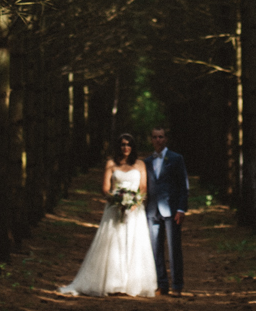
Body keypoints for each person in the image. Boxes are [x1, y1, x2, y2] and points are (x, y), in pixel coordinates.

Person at [58, 133, 159, 297]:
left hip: (135, 210)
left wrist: (133, 203)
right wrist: (117, 200)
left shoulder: (140, 164)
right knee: (113, 243)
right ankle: (113, 282)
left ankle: (132, 283)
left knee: (135, 243)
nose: (125, 148)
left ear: (133, 147)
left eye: (128, 145)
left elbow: (143, 187)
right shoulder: (111, 163)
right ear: (118, 147)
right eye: (122, 144)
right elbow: (105, 188)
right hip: (114, 208)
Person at [145, 125, 188, 296]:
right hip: (152, 211)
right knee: (155, 249)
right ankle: (161, 284)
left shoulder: (176, 159)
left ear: (166, 139)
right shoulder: (147, 162)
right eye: (155, 137)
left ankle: (177, 285)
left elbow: (183, 185)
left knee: (174, 248)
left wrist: (181, 208)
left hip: (171, 211)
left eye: (161, 137)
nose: (158, 140)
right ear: (151, 139)